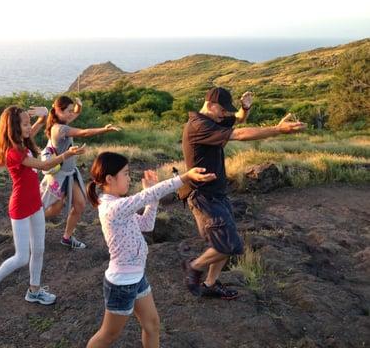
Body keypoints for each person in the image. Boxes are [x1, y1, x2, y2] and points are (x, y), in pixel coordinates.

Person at [181, 87, 306, 299]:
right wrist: (278, 130)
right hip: (203, 195)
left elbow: (237, 120)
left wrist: (245, 108)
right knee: (230, 245)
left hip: (217, 193)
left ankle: (210, 285)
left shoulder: (213, 119)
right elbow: (238, 134)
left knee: (223, 241)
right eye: (222, 109)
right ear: (211, 106)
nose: (225, 113)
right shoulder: (198, 125)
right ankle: (194, 266)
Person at [86, 152, 216, 347]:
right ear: (109, 178)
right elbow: (149, 194)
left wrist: (152, 198)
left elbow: (147, 224)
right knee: (108, 335)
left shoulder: (118, 205)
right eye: (126, 174)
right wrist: (184, 177)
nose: (130, 178)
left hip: (137, 277)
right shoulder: (112, 208)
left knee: (152, 325)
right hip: (122, 283)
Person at [0, 105, 85, 310]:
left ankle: (34, 291)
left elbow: (33, 130)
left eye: (28, 123)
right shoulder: (13, 153)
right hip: (20, 208)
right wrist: (66, 155)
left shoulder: (21, 142)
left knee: (39, 250)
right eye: (25, 124)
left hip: (35, 204)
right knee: (21, 256)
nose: (29, 128)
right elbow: (44, 166)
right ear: (14, 128)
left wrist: (43, 115)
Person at [40, 95, 121, 249]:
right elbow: (83, 133)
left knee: (80, 204)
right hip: (61, 175)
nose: (72, 114)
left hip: (71, 173)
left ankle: (67, 237)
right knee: (55, 209)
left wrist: (79, 106)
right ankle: (31, 221)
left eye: (71, 111)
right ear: (58, 111)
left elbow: (76, 113)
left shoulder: (63, 121)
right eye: (68, 111)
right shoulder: (59, 128)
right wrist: (104, 130)